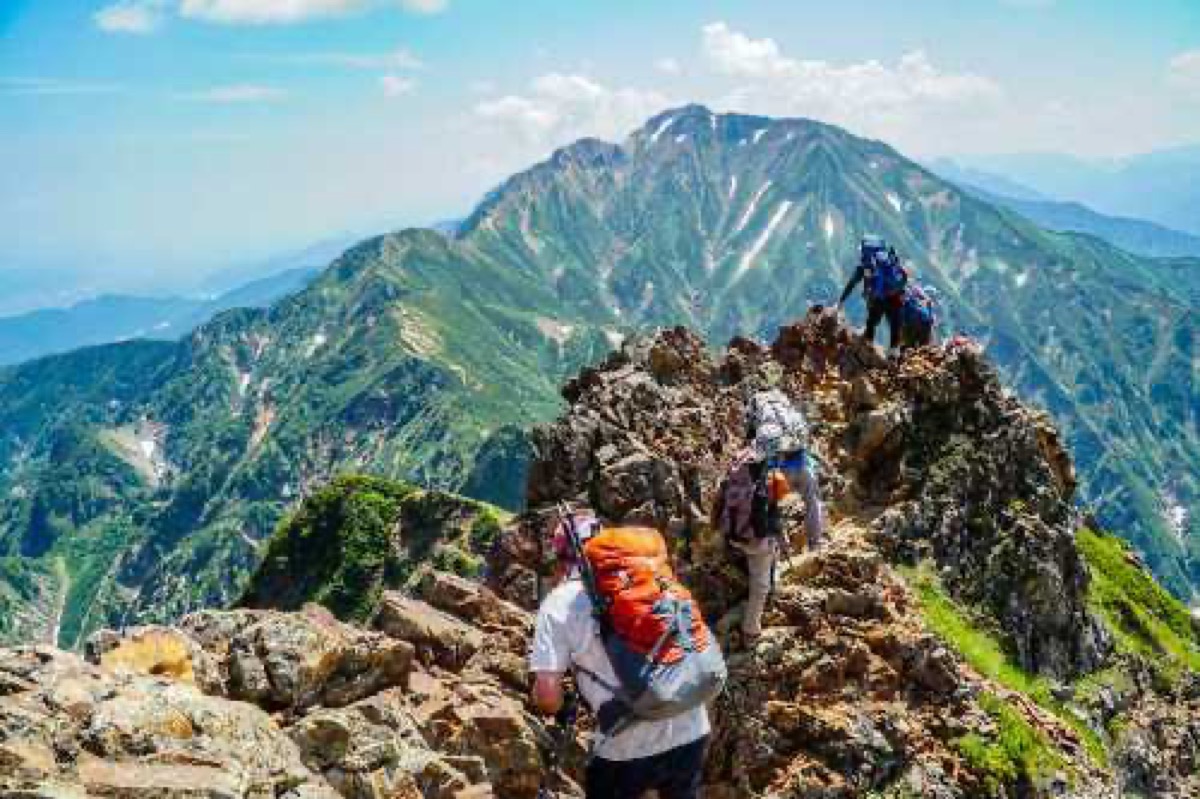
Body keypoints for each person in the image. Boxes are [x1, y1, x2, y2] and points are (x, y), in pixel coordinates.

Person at [529, 513, 711, 799]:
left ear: (562, 560)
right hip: (690, 722)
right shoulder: (649, 581)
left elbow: (548, 698)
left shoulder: (559, 604)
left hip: (628, 744)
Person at [713, 391, 826, 644]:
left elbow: (721, 496)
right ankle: (750, 631)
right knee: (760, 583)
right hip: (755, 537)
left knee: (762, 561)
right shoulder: (775, 477)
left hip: (731, 531)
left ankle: (762, 593)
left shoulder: (739, 462)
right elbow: (773, 512)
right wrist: (785, 536)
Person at [837, 235, 908, 351]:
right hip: (895, 296)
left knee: (871, 322)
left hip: (878, 299)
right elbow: (902, 277)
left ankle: (868, 344)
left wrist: (841, 300)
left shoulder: (864, 266)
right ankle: (894, 352)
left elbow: (852, 283)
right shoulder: (890, 260)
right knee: (895, 324)